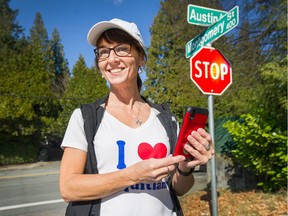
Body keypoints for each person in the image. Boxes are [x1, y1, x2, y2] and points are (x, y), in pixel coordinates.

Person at [59, 18, 214, 216]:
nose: (112, 59)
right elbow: (68, 188)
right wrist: (133, 175)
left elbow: (178, 189)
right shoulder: (85, 117)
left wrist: (185, 168)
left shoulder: (166, 119)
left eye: (122, 49)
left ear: (141, 58)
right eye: (104, 51)